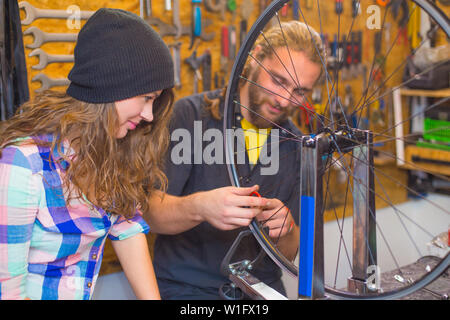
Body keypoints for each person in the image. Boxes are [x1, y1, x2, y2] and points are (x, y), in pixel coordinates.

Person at [0, 8, 175, 300]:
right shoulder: (23, 166)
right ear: (110, 88)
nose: (148, 115)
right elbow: (8, 292)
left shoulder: (110, 152)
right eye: (146, 98)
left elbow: (126, 227)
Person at [146, 21, 325, 299]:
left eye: (299, 91)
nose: (284, 99)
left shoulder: (298, 146)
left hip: (260, 289)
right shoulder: (190, 117)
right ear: (254, 57)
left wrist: (286, 229)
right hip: (188, 289)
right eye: (278, 80)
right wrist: (200, 207)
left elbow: (289, 253)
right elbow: (150, 215)